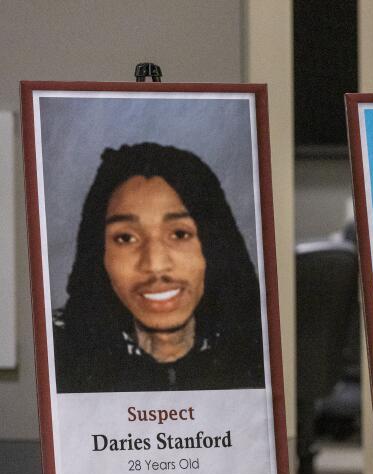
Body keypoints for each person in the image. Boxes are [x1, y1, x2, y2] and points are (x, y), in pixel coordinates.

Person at [54, 142, 265, 392]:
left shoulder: (265, 341)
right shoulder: (54, 348)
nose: (155, 265)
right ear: (99, 254)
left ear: (215, 245)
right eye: (125, 238)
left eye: (179, 234)